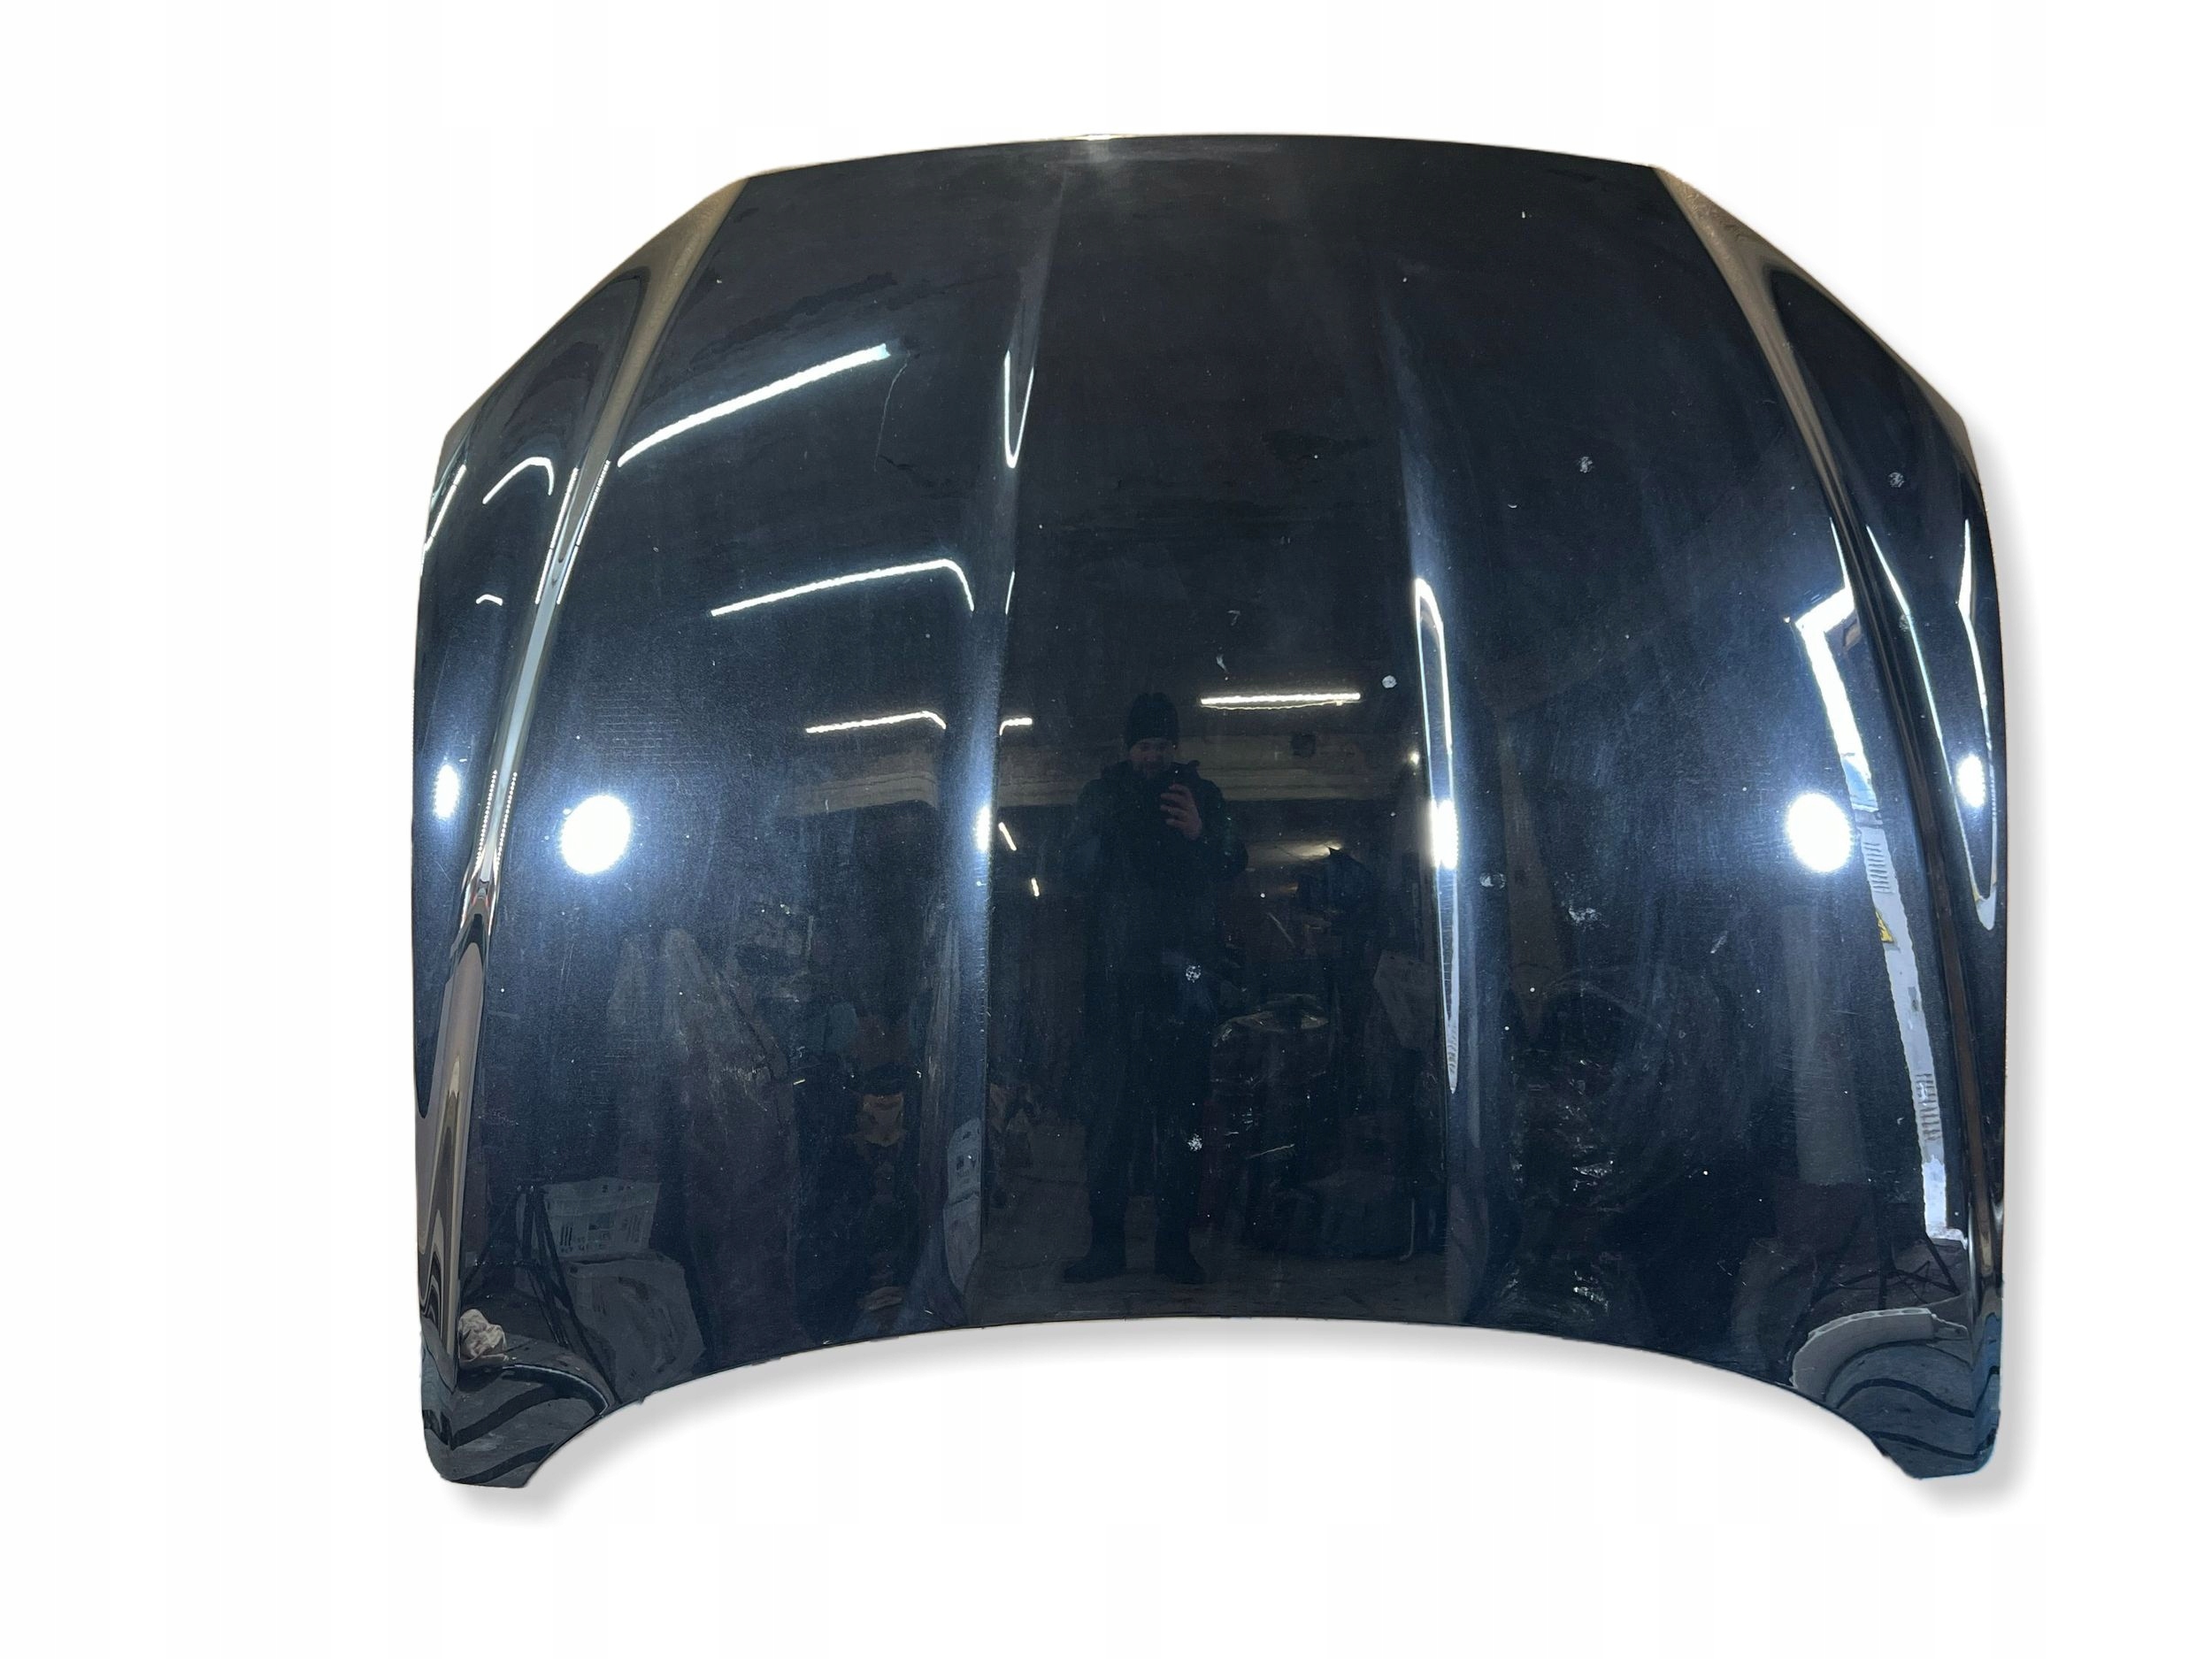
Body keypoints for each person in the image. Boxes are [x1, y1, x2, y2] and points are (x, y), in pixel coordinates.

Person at [1061, 693, 1247, 1284]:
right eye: (1144, 745)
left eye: (1163, 745)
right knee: (1111, 1121)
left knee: (1183, 1121)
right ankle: (1106, 1244)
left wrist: (1200, 832)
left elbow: (1235, 859)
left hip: (1184, 986)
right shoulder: (1102, 796)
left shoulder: (1203, 795)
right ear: (1128, 748)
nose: (1153, 756)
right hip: (1117, 985)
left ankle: (1174, 1246)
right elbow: (1068, 867)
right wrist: (1106, 833)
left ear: (1176, 747)